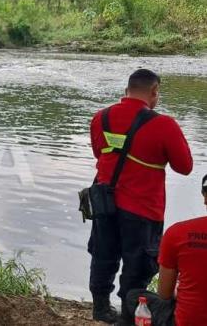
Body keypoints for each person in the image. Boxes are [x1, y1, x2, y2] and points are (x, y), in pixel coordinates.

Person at [87, 69, 193, 324]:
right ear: (154, 92)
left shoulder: (100, 118)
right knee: (139, 265)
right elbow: (185, 166)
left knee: (103, 255)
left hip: (105, 204)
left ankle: (101, 309)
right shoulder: (164, 124)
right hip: (142, 209)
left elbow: (98, 153)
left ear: (127, 90)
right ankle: (129, 314)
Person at [124, 175, 207, 326]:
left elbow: (164, 293)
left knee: (132, 296)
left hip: (185, 321)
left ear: (205, 198)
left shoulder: (178, 233)